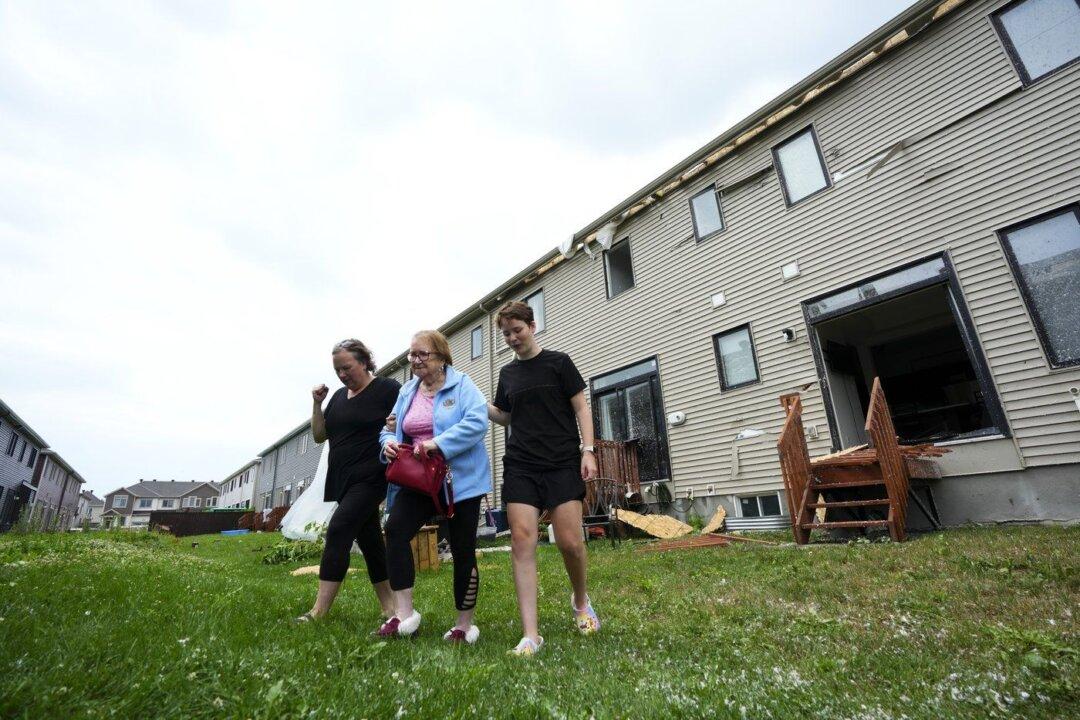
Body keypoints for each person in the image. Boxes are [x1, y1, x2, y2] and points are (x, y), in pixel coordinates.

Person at [488, 301, 600, 656]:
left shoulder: (559, 363)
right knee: (522, 541)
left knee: (570, 543)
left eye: (517, 330)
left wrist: (588, 450)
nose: (512, 338)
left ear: (532, 326)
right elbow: (506, 416)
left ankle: (580, 601)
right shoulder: (507, 374)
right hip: (521, 464)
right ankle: (531, 635)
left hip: (561, 462)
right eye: (506, 333)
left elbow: (581, 407)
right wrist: (479, 406)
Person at [379, 330, 491, 643]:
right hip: (418, 479)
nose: (414, 360)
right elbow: (389, 428)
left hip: (459, 482)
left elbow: (477, 422)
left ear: (441, 357)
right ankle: (404, 615)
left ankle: (464, 626)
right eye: (411, 354)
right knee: (396, 529)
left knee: (462, 548)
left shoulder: (463, 385)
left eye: (422, 354)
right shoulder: (407, 391)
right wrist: (387, 443)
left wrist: (437, 443)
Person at [295, 339, 400, 623]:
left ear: (364, 362)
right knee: (370, 541)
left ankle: (318, 612)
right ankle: (390, 608)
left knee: (339, 528)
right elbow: (320, 435)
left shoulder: (387, 389)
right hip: (342, 479)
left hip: (372, 476)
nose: (342, 374)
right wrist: (317, 404)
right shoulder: (339, 397)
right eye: (337, 370)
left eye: (347, 367)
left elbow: (405, 422)